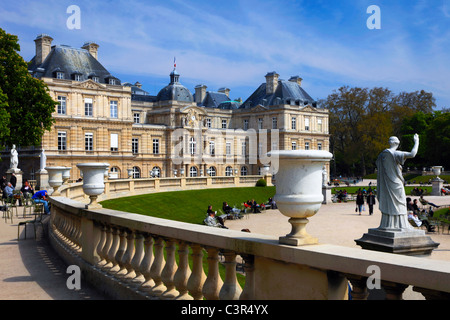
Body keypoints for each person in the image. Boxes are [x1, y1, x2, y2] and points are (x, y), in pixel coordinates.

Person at [376, 134, 419, 230]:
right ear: (397, 143)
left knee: (389, 203)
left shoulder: (382, 155)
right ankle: (401, 224)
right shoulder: (396, 153)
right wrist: (416, 141)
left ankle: (388, 224)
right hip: (396, 183)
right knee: (400, 204)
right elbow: (413, 154)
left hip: (386, 184)